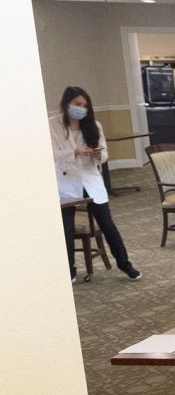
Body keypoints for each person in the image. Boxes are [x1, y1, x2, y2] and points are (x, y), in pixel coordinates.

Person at [51, 86, 140, 282]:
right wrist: (75, 152)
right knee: (66, 229)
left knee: (107, 224)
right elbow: (52, 154)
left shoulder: (94, 125)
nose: (80, 108)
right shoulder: (52, 125)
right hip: (66, 181)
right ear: (67, 104)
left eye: (84, 105)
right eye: (77, 104)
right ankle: (70, 270)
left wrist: (99, 155)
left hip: (90, 178)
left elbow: (105, 153)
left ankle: (125, 264)